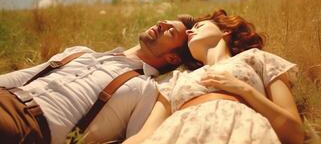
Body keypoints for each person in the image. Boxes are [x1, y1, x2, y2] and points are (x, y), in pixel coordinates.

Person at [0, 17, 194, 144]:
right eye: (166, 21)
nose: (162, 23)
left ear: (173, 59)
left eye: (171, 31)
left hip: (26, 127)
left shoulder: (145, 89)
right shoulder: (80, 51)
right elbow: (22, 76)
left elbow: (138, 139)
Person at [123, 10, 304, 144]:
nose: (188, 32)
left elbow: (294, 133)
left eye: (198, 26)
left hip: (241, 133)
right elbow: (146, 134)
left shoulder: (258, 58)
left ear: (225, 30)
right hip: (176, 136)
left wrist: (244, 90)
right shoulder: (178, 77)